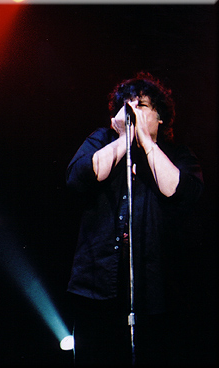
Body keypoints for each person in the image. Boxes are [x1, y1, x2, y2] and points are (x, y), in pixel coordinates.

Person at [66, 72, 203, 366]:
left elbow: (179, 191)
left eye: (141, 105)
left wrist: (144, 142)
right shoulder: (102, 141)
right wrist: (124, 140)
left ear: (161, 116)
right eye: (126, 106)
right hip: (97, 289)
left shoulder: (177, 154)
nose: (132, 112)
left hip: (156, 292)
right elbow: (79, 178)